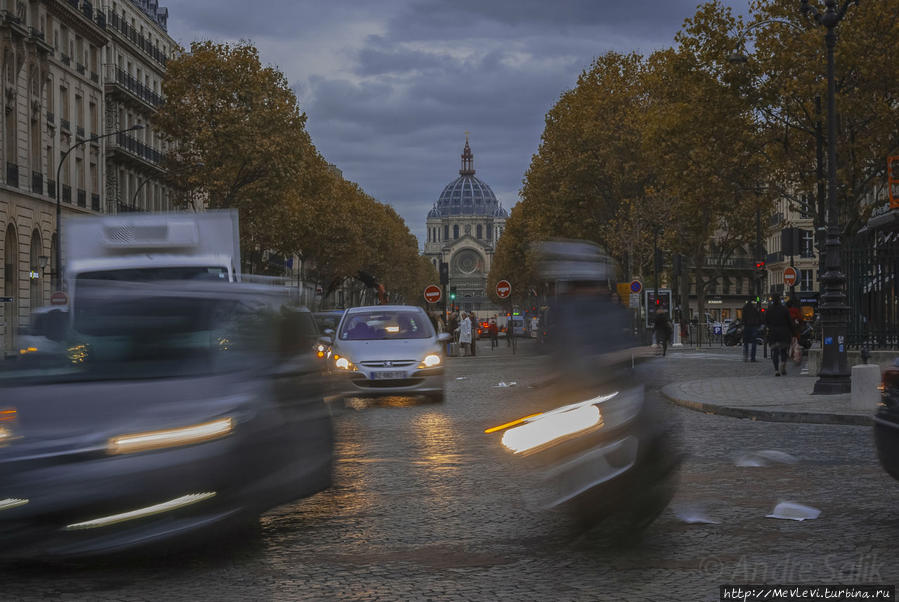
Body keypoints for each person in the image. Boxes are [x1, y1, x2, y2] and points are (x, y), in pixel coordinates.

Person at [764, 297, 796, 376]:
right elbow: (790, 322)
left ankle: (776, 370)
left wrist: (769, 328)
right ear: (779, 300)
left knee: (775, 352)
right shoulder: (784, 309)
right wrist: (793, 333)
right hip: (783, 333)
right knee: (783, 351)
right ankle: (783, 364)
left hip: (773, 333)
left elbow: (765, 321)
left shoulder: (769, 310)